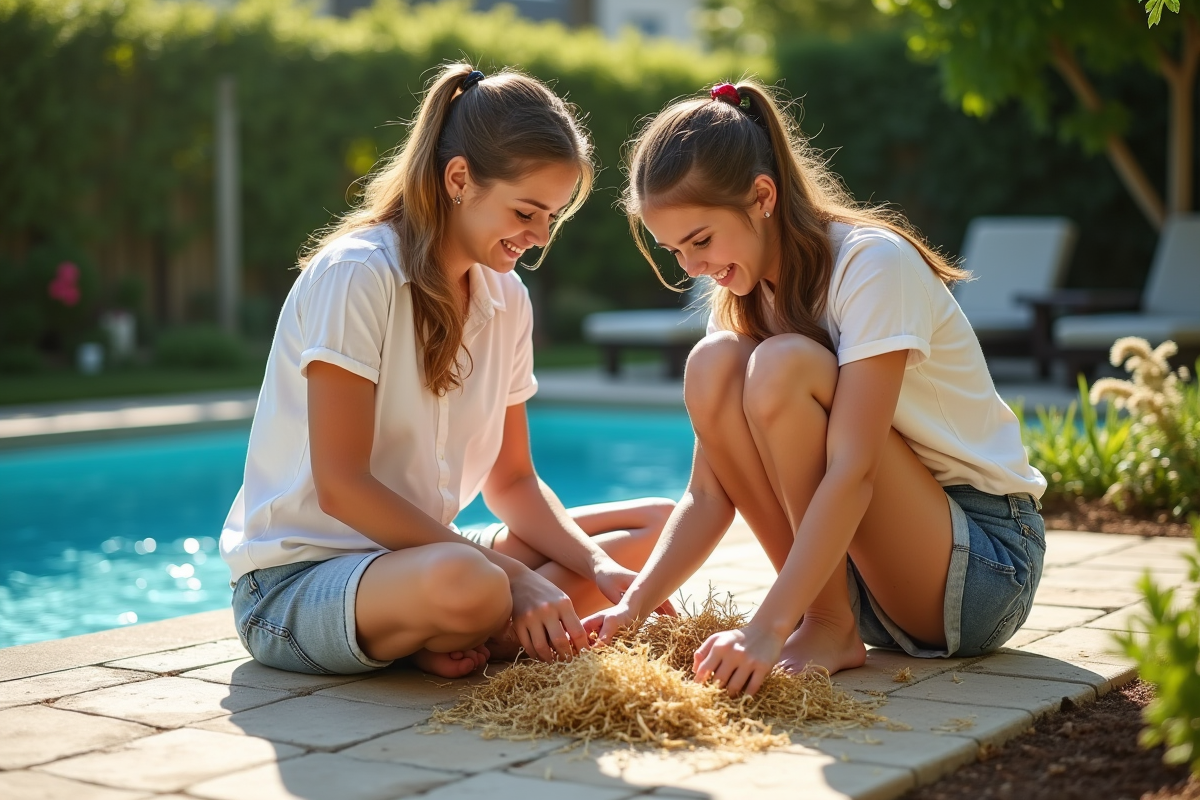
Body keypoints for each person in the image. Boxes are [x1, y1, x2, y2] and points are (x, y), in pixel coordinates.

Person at [584, 81, 1047, 697]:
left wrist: (764, 628)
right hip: (869, 578)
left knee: (783, 366)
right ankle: (824, 619)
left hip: (981, 563)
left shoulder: (871, 265)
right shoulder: (745, 296)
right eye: (675, 251)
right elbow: (707, 492)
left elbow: (853, 470)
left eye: (701, 240)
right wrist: (635, 606)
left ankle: (824, 624)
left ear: (762, 196)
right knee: (713, 362)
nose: (691, 267)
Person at [219, 63, 674, 679]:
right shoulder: (358, 274)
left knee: (656, 528)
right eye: (526, 212)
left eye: (551, 217)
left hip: (422, 556)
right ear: (459, 178)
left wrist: (599, 568)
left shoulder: (508, 298)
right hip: (298, 582)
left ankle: (454, 634)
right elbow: (341, 485)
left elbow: (512, 482)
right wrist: (517, 579)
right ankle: (475, 622)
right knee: (474, 583)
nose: (539, 236)